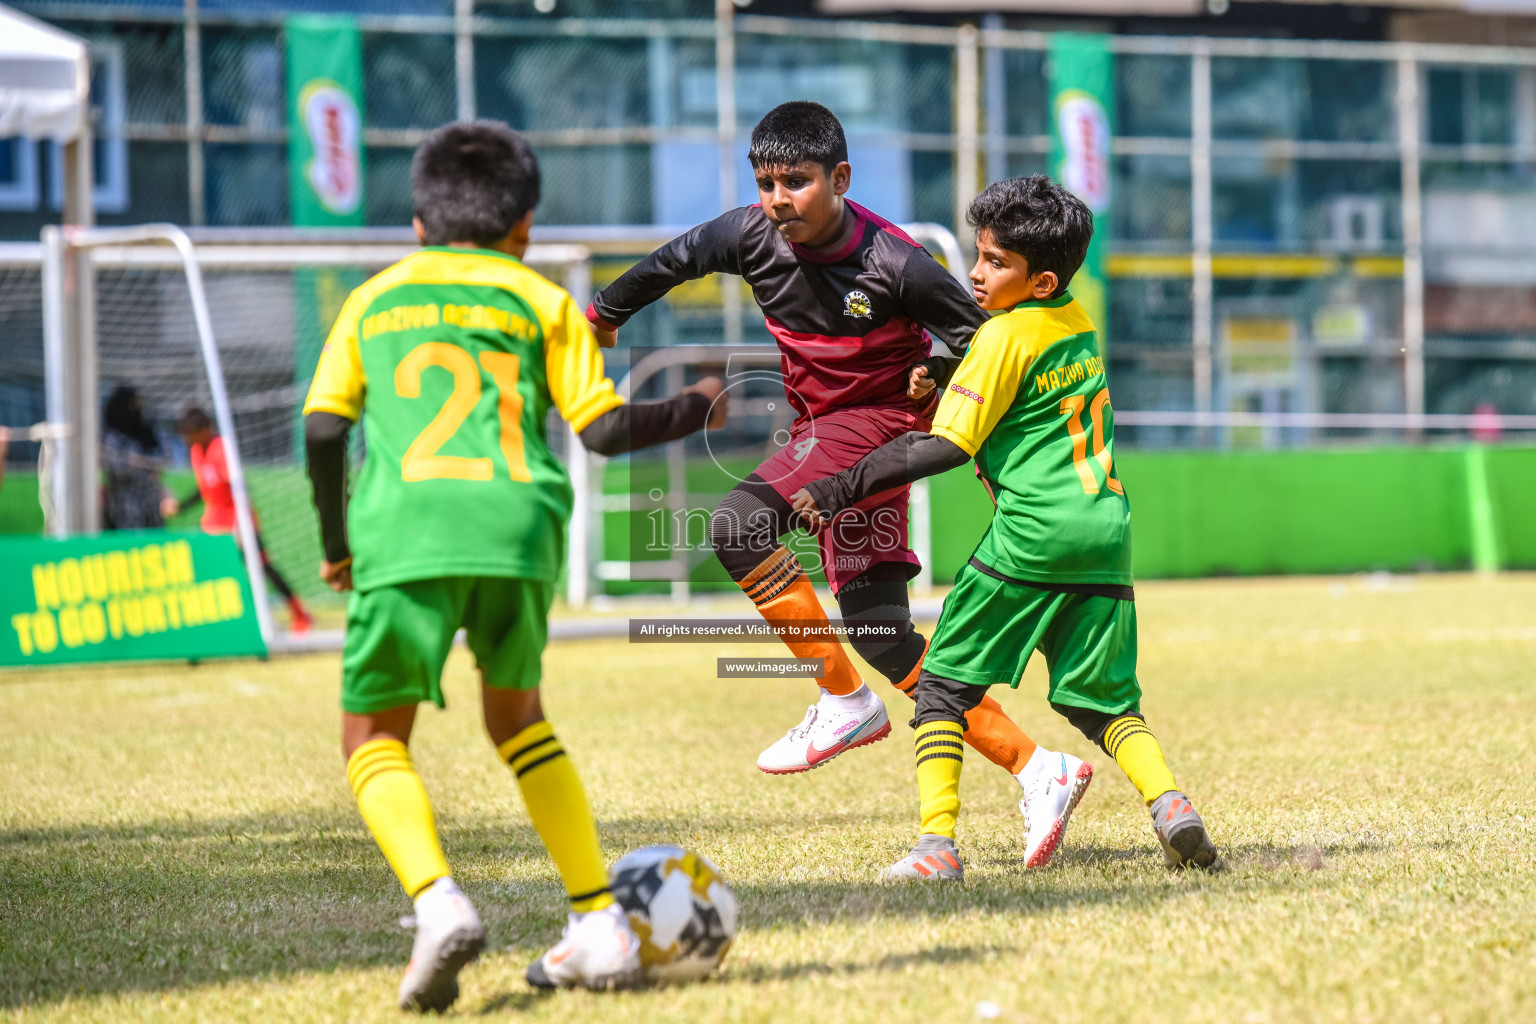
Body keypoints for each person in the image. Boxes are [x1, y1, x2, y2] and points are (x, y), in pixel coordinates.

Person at [586, 102, 1086, 866]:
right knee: (884, 633)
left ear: (840, 179)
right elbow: (674, 260)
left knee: (737, 527)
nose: (778, 198)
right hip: (829, 435)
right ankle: (1038, 767)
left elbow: (985, 342)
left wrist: (940, 375)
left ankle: (841, 700)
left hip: (874, 429)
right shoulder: (748, 233)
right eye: (765, 182)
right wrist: (605, 312)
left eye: (797, 181)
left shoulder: (896, 261)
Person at [303, 120, 728, 1012]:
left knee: (373, 737)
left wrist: (338, 547)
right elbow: (606, 431)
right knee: (519, 720)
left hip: (406, 530)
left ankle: (438, 901)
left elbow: (322, 427)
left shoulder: (373, 300)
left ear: (417, 223)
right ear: (525, 224)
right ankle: (600, 924)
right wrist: (694, 403)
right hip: (520, 526)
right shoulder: (538, 301)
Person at [791, 176, 1219, 881]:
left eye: (995, 263)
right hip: (1106, 535)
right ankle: (1170, 804)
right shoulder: (1073, 320)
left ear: (1039, 277)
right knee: (1103, 701)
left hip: (1033, 534)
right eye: (979, 256)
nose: (976, 274)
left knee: (940, 689)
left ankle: (937, 846)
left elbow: (945, 445)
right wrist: (940, 367)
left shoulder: (1000, 336)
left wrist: (839, 487)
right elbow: (1015, 382)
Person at [164, 407, 313, 633]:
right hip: (214, 523)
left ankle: (299, 614)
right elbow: (204, 489)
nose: (189, 439)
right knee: (213, 571)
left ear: (205, 429)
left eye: (192, 433)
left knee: (262, 566)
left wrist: (241, 521)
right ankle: (228, 620)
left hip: (238, 520)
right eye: (186, 435)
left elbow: (238, 486)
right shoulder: (195, 451)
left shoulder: (221, 448)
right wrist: (180, 506)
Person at [101, 385, 169, 530]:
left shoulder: (149, 432)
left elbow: (162, 458)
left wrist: (138, 462)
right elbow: (114, 465)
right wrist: (142, 463)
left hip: (150, 501)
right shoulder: (111, 435)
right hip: (124, 504)